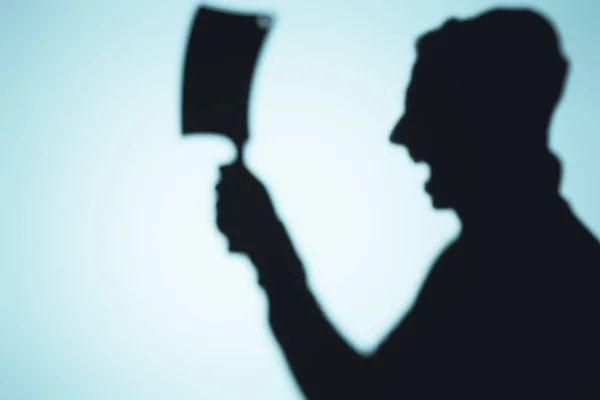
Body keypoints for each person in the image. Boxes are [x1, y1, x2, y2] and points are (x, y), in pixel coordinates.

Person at [215, 8, 600, 399]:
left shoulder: (511, 265)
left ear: (482, 118)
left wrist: (273, 260)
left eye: (426, 109)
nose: (401, 135)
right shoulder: (509, 253)